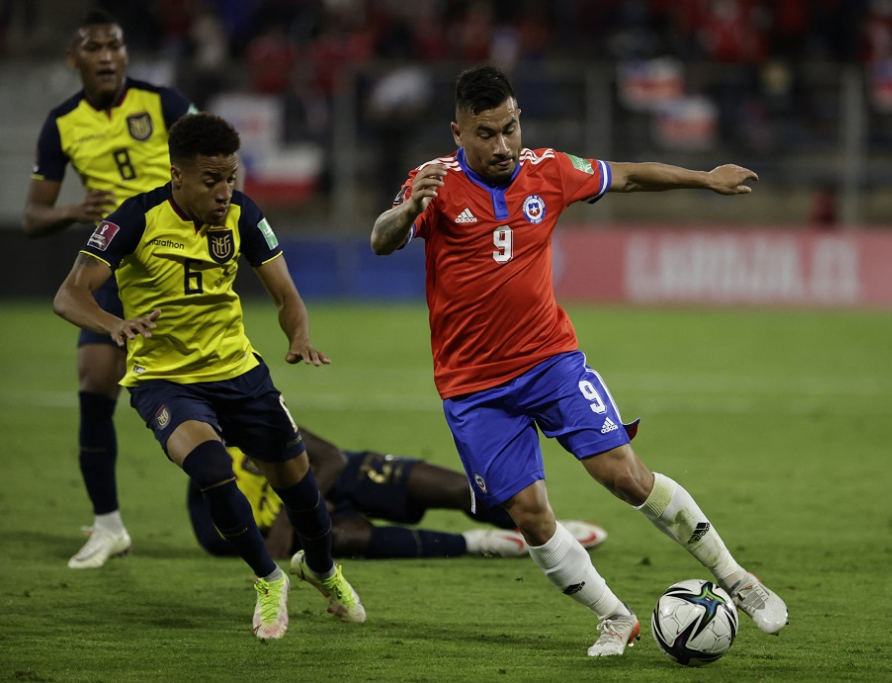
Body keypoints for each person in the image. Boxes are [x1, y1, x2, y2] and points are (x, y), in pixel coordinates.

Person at [370, 65, 788, 657]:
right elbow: (382, 239)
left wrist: (703, 179)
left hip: (551, 363)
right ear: (458, 132)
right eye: (487, 133)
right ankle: (615, 618)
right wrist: (410, 208)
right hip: (473, 388)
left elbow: (630, 178)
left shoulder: (548, 170)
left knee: (626, 476)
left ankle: (737, 577)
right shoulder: (431, 184)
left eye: (511, 128)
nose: (503, 144)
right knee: (531, 515)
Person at [53, 112, 362, 641]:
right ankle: (268, 579)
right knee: (213, 470)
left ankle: (322, 567)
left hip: (240, 373)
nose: (224, 192)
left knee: (302, 490)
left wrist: (299, 336)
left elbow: (285, 294)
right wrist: (114, 324)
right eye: (211, 180)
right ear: (177, 175)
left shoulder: (242, 214)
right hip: (165, 381)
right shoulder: (136, 218)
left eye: (231, 179)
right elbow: (70, 294)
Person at [23, 9, 198, 570]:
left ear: (126, 53)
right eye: (93, 48)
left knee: (219, 384)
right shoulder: (61, 124)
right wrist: (74, 209)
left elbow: (220, 160)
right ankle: (108, 526)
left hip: (173, 267)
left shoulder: (163, 102)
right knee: (95, 383)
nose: (106, 56)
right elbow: (33, 214)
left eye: (115, 46)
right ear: (73, 58)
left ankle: (274, 497)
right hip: (115, 263)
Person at [188, 426, 609, 560]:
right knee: (340, 539)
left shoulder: (244, 425)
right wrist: (306, 517)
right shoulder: (212, 528)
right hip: (323, 521)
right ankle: (482, 543)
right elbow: (274, 553)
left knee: (463, 489)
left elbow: (330, 459)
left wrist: (301, 504)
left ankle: (544, 530)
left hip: (350, 475)